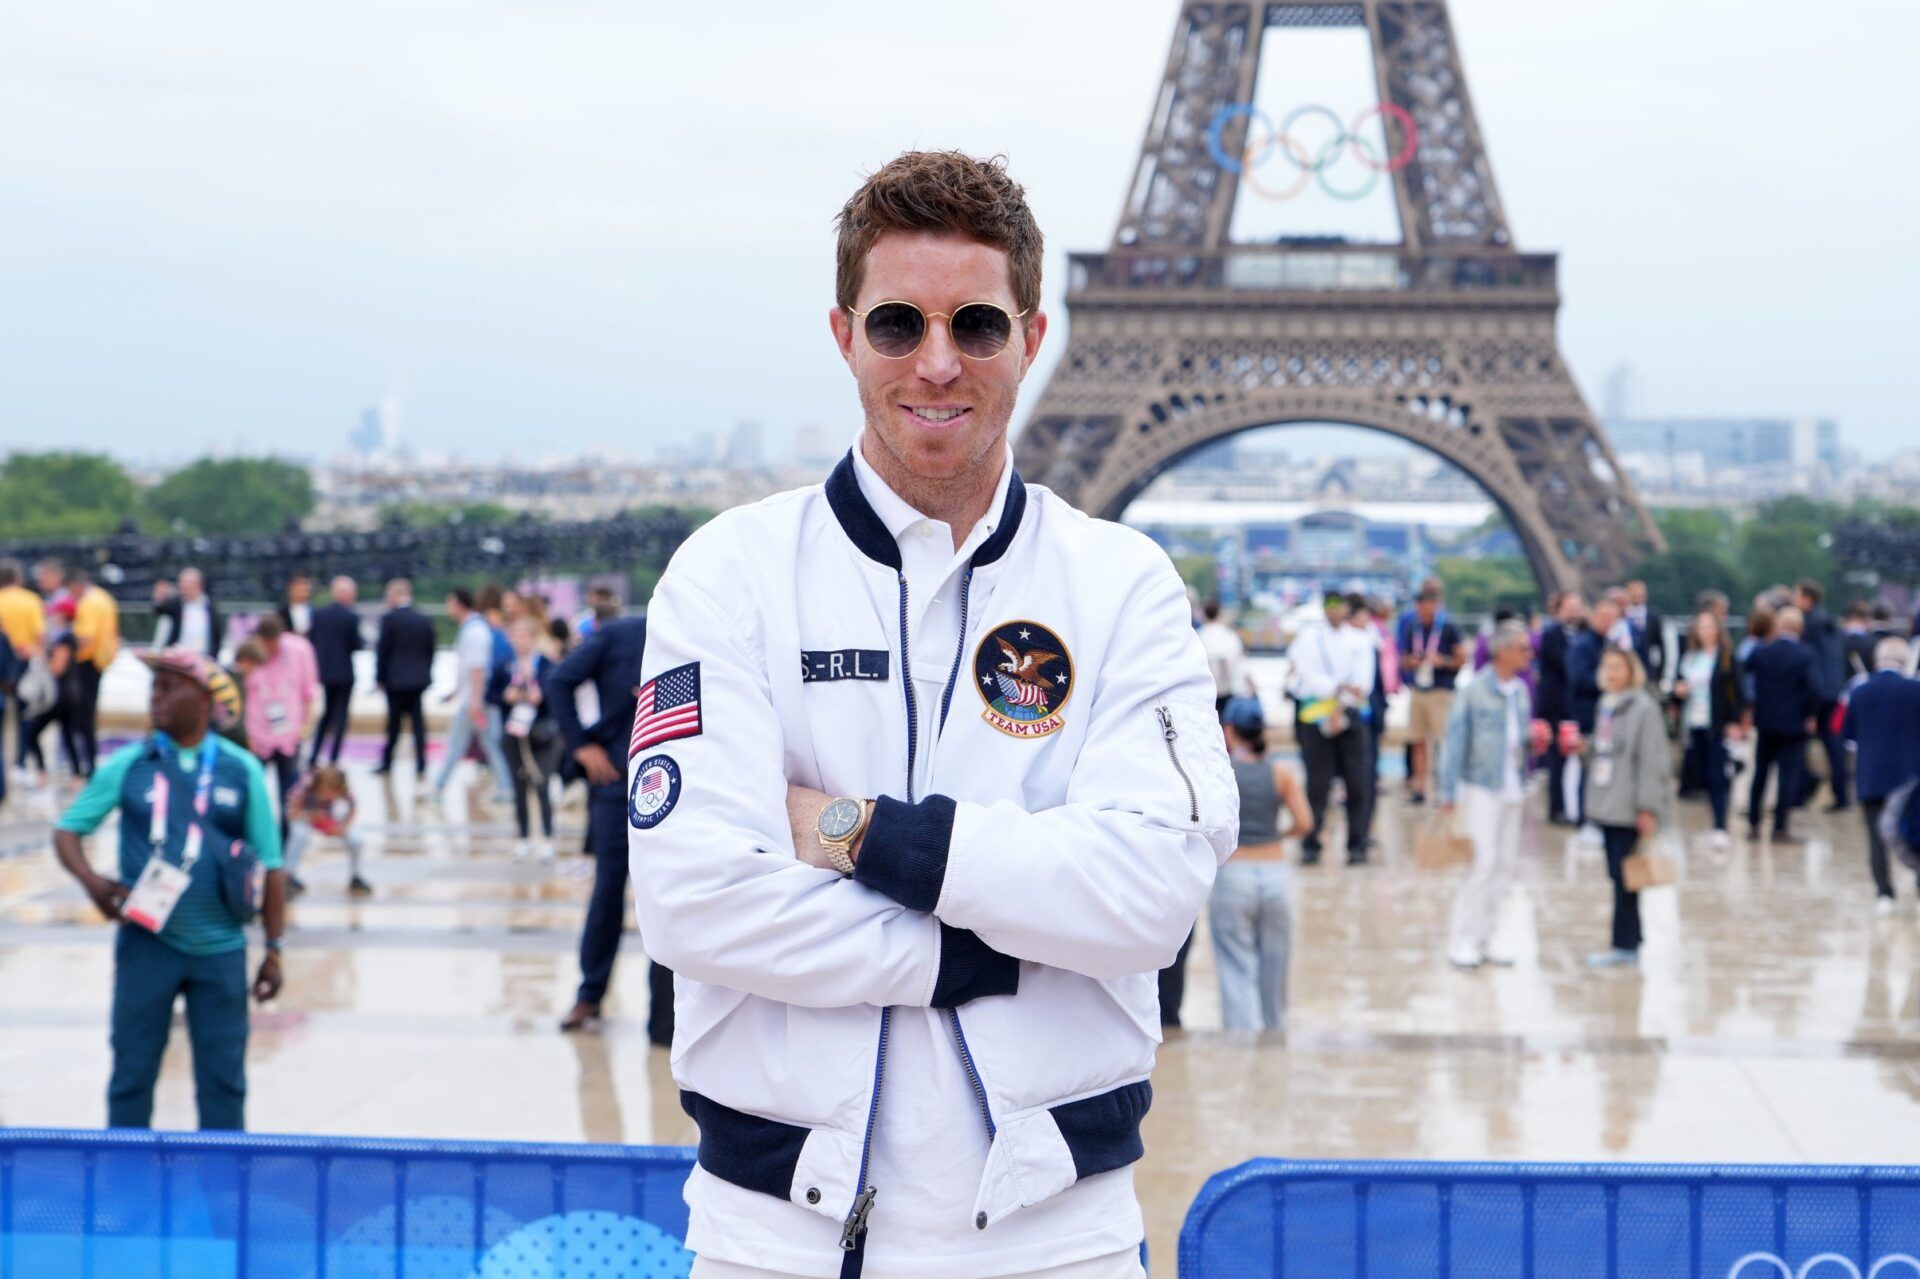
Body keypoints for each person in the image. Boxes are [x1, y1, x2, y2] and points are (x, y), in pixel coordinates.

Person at [631, 150, 1235, 1279]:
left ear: (1034, 336)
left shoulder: (1123, 583)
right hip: (776, 1241)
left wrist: (856, 834)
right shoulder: (729, 574)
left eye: (979, 326)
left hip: (1058, 1242)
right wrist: (987, 947)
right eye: (900, 323)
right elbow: (693, 903)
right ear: (844, 333)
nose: (939, 362)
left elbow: (1153, 895)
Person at [51, 647, 287, 1129]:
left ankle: (222, 1190)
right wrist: (94, 884)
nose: (155, 696)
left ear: (203, 698)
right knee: (131, 1077)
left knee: (224, 1083)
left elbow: (273, 864)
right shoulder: (130, 765)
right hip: (146, 946)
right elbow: (67, 829)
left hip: (220, 950)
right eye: (153, 686)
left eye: (168, 686)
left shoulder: (241, 770)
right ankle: (126, 1187)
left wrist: (275, 948)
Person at [546, 612, 669, 1039]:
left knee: (672, 897)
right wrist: (582, 746)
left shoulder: (709, 632)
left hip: (684, 792)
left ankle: (668, 1020)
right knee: (607, 892)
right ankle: (590, 994)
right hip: (617, 781)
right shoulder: (620, 635)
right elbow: (559, 681)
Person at [1438, 622, 1538, 970]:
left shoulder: (1521, 692)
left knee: (1505, 866)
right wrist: (1447, 790)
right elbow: (1455, 741)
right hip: (1482, 785)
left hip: (1514, 786)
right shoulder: (1474, 690)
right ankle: (1461, 940)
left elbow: (1519, 739)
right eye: (1524, 648)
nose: (1529, 654)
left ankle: (1486, 938)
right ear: (1504, 651)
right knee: (1481, 863)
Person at [1212, 696, 1312, 1030]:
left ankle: (1242, 1049)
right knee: (1275, 966)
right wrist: (1279, 835)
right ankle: (1274, 1038)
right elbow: (1305, 822)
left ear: (1229, 731)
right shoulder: (1281, 773)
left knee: (1235, 967)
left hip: (1233, 876)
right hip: (1275, 874)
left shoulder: (1222, 773)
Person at [1580, 647, 1670, 969]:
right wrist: (1583, 748)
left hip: (1629, 806)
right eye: (1607, 666)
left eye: (1618, 667)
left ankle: (1625, 945)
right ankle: (1629, 940)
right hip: (1608, 802)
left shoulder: (1643, 708)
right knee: (1618, 875)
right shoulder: (1606, 705)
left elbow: (1652, 761)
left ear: (1632, 671)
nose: (1611, 673)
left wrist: (1647, 807)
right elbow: (1604, 751)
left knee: (1626, 878)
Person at [1286, 592, 1376, 866]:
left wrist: (1342, 700)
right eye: (1331, 607)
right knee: (1317, 784)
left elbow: (1363, 682)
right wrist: (1337, 689)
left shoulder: (1360, 640)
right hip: (1317, 720)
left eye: (1340, 608)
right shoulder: (1309, 639)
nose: (1335, 612)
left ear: (1346, 610)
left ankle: (1356, 844)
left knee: (1357, 783)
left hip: (1351, 718)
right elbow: (1306, 675)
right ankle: (1311, 843)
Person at [1843, 638, 1920, 914]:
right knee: (1916, 835)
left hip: (1871, 775)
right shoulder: (1916, 689)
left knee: (1876, 838)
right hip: (1910, 778)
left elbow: (1848, 737)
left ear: (1878, 660)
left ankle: (1884, 894)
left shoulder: (1860, 691)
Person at [1745, 605, 1820, 844]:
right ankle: (1780, 828)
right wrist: (1810, 715)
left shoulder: (1762, 652)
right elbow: (1815, 689)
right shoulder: (1806, 654)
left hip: (1766, 721)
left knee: (1760, 774)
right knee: (1787, 777)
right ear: (1800, 628)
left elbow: (1745, 670)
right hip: (1794, 724)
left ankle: (1753, 825)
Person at [1671, 609, 1746, 848]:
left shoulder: (1726, 658)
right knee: (1702, 775)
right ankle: (1714, 824)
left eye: (1709, 626)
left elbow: (1737, 692)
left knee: (1718, 775)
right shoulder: (1690, 657)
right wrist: (1678, 693)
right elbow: (1678, 688)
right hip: (1695, 723)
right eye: (1701, 626)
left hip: (1717, 724)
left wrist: (1735, 721)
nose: (1705, 631)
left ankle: (1721, 826)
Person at [489, 617, 560, 862]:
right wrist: (507, 696)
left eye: (525, 635)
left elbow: (557, 694)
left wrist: (540, 695)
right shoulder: (506, 664)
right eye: (516, 635)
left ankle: (548, 838)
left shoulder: (545, 664)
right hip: (514, 732)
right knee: (519, 788)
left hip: (541, 733)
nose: (521, 640)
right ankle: (524, 838)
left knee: (541, 785)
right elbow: (492, 693)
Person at [242, 613, 318, 843]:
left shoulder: (299, 651)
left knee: (290, 796)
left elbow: (309, 693)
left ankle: (284, 848)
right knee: (251, 793)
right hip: (257, 736)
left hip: (288, 734)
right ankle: (250, 841)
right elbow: (241, 694)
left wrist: (305, 728)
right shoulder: (250, 653)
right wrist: (246, 734)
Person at [1398, 587, 1465, 805]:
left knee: (1443, 741)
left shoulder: (1448, 627)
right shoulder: (1412, 627)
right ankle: (1420, 786)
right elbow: (1403, 659)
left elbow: (1461, 658)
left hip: (1440, 692)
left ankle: (1444, 788)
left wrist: (1442, 661)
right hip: (1419, 690)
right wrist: (1414, 662)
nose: (1424, 611)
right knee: (1418, 741)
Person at [432, 588, 499, 798]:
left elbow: (477, 669)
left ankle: (438, 786)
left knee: (460, 744)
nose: (447, 607)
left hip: (475, 699)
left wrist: (474, 702)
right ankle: (507, 787)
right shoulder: (472, 628)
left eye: (449, 602)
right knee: (490, 745)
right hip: (473, 697)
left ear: (459, 604)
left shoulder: (475, 631)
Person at [1796, 579, 1849, 812]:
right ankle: (1841, 794)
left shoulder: (1809, 623)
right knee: (1833, 745)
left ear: (1807, 598)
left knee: (1798, 742)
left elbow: (1810, 661)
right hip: (1834, 690)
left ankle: (1802, 788)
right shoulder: (1830, 621)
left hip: (1818, 692)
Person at [374, 579, 435, 776]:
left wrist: (380, 678)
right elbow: (430, 650)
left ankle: (387, 762)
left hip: (395, 681)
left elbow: (383, 651)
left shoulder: (390, 619)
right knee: (418, 724)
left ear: (394, 595)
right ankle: (421, 763)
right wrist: (426, 674)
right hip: (417, 680)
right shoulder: (423, 618)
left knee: (394, 724)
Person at [282, 764, 371, 897]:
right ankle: (289, 875)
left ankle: (356, 875)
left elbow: (352, 809)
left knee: (356, 838)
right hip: (308, 818)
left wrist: (342, 827)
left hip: (332, 820)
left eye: (334, 793)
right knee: (299, 835)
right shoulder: (305, 788)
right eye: (326, 791)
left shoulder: (344, 793)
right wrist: (311, 816)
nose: (329, 796)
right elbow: (291, 814)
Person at [1536, 592, 1584, 826]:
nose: (1574, 611)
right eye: (1570, 606)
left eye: (1577, 606)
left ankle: (1575, 807)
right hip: (1557, 708)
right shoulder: (1551, 635)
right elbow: (1567, 666)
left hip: (1576, 707)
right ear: (1560, 609)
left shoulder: (1582, 634)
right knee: (1558, 760)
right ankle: (1557, 808)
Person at [69, 568, 121, 779]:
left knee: (82, 716)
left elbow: (85, 638)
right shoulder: (104, 597)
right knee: (87, 715)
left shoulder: (89, 602)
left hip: (86, 662)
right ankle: (88, 762)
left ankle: (87, 764)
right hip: (100, 661)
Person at [307, 576, 363, 766]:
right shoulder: (350, 617)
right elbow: (356, 644)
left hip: (325, 672)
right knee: (340, 717)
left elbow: (312, 641)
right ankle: (334, 757)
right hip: (344, 673)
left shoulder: (318, 615)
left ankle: (314, 754)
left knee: (327, 714)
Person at [0, 559, 45, 791]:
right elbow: (39, 635)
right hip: (24, 662)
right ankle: (18, 762)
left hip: (2, 661)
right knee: (24, 715)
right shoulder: (30, 600)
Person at [151, 567, 222, 658]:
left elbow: (216, 634)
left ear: (199, 585)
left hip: (203, 659)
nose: (183, 587)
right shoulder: (176, 604)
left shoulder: (209, 606)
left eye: (188, 583)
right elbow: (159, 610)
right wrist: (159, 597)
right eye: (182, 582)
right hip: (177, 658)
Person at [1198, 600, 1252, 715]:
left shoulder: (1198, 636)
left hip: (1206, 690)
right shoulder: (1230, 636)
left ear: (1204, 614)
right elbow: (1241, 662)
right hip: (1230, 687)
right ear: (1219, 614)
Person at [1624, 579, 1666, 687]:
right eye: (1634, 593)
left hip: (1648, 670)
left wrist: (1659, 674)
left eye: (1640, 593)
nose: (1637, 595)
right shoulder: (1622, 615)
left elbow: (1660, 646)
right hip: (1627, 669)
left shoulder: (1654, 616)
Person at [277, 573, 315, 638]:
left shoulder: (315, 612)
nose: (302, 593)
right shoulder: (281, 613)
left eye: (305, 590)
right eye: (299, 589)